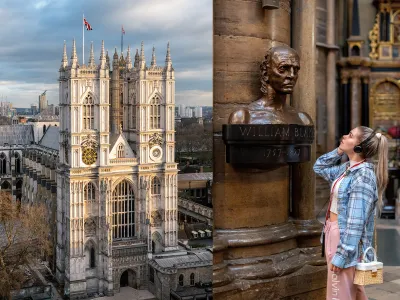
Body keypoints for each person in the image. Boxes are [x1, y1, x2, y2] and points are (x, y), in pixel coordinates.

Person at [313, 126, 388, 300]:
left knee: (338, 293)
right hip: (334, 231)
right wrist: (340, 150)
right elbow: (319, 166)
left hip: (343, 237)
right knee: (352, 291)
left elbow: (356, 222)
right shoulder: (347, 169)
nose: (345, 136)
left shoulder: (362, 177)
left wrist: (342, 255)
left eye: (351, 136)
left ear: (359, 147)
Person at [228, 45, 312, 125]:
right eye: (283, 68)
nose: (292, 75)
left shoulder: (304, 120)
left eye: (296, 70)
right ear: (265, 73)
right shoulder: (243, 118)